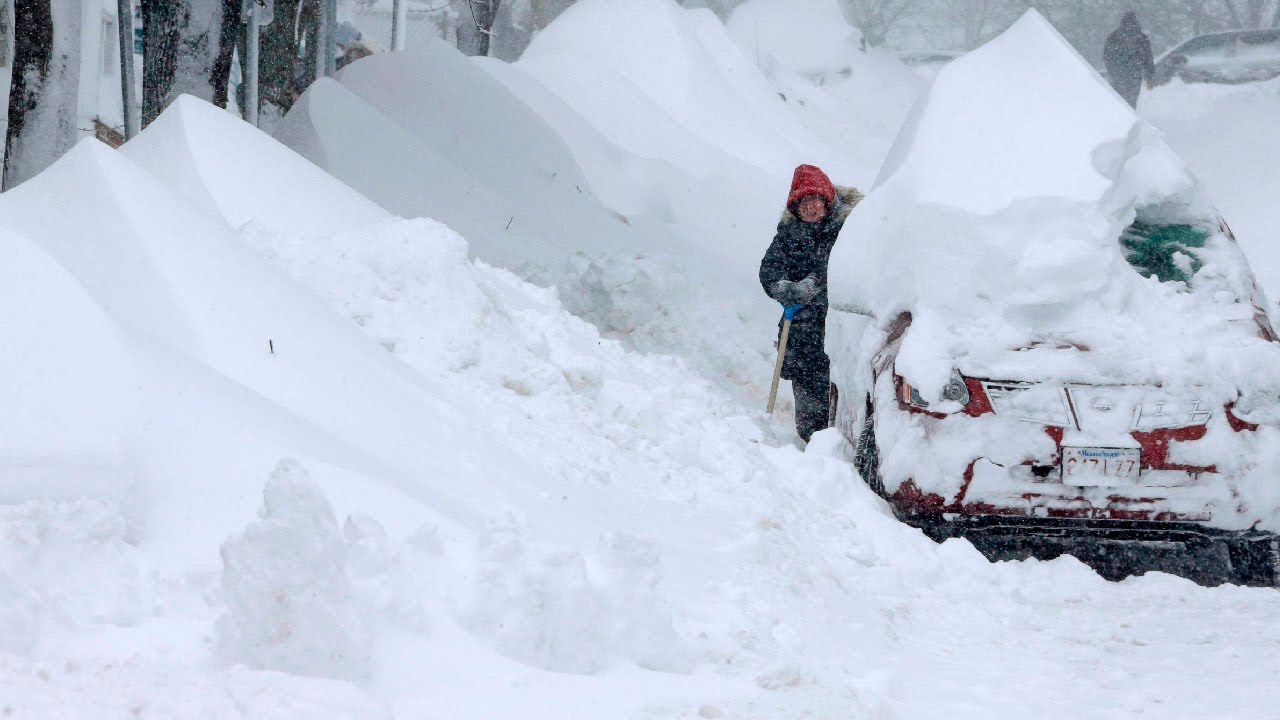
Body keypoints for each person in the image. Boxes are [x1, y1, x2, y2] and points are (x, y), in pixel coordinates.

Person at [759, 164, 863, 443]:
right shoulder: (788, 233)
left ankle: (841, 448)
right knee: (807, 388)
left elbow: (846, 267)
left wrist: (815, 283)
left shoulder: (847, 229)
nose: (810, 208)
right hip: (802, 329)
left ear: (827, 200)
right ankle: (810, 448)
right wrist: (781, 287)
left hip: (839, 325)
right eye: (803, 203)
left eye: (815, 200)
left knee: (840, 388)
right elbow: (769, 269)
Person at [1103, 11, 1155, 108]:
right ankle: (1131, 119)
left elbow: (1107, 56)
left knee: (1117, 101)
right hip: (1135, 76)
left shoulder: (1113, 36)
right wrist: (1150, 76)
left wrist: (1113, 71)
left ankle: (1118, 118)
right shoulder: (1141, 38)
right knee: (1131, 101)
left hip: (1118, 77)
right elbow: (1148, 58)